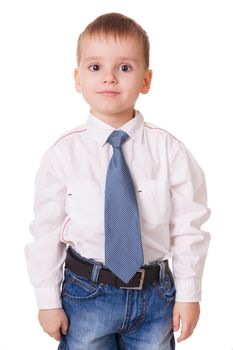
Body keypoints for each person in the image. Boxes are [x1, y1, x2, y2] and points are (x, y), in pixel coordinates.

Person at [25, 12, 211, 350]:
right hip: (86, 294)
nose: (109, 78)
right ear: (77, 78)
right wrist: (46, 300)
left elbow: (188, 227)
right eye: (95, 67)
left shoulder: (170, 151)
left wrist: (190, 294)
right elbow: (47, 231)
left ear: (146, 80)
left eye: (124, 67)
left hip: (155, 297)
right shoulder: (62, 155)